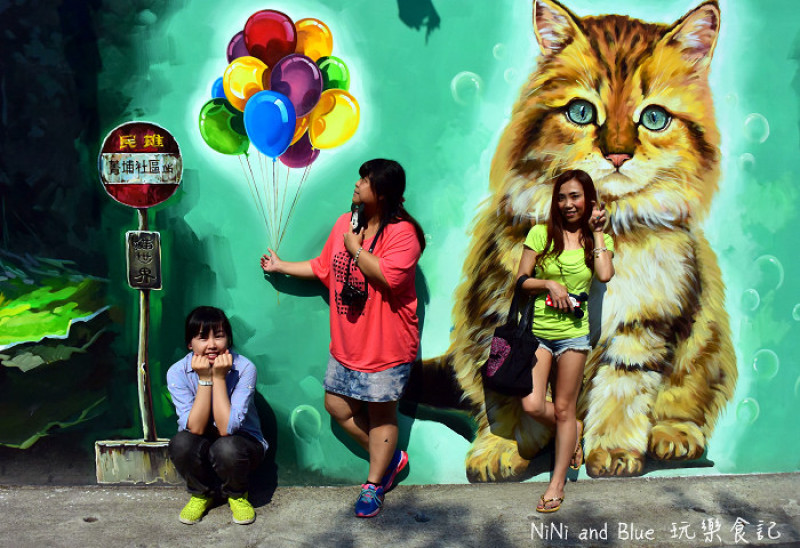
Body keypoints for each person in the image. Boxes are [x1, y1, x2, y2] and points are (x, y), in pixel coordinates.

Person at [260, 158, 425, 518]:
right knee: (337, 407)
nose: (357, 184)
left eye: (364, 180)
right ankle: (390, 459)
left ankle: (373, 485)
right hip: (347, 345)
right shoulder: (345, 224)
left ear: (382, 194)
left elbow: (389, 277)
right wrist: (281, 266)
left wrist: (356, 248)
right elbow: (322, 268)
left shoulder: (403, 234)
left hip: (386, 347)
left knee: (383, 417)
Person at [516, 169, 614, 513]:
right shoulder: (540, 234)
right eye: (562, 197)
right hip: (539, 334)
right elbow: (521, 281)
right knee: (531, 405)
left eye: (575, 197)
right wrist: (548, 285)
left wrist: (599, 233)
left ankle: (556, 485)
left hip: (574, 336)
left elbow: (604, 275)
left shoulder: (595, 240)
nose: (568, 204)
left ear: (588, 200)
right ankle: (572, 430)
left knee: (562, 407)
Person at [166, 306, 267, 525]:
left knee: (226, 447)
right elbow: (195, 428)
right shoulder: (177, 372)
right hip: (201, 440)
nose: (212, 345)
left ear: (228, 340)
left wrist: (219, 378)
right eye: (202, 338)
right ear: (190, 343)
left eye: (219, 336)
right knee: (181, 444)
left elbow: (226, 429)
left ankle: (238, 495)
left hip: (242, 446)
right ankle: (201, 494)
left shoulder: (244, 368)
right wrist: (205, 379)